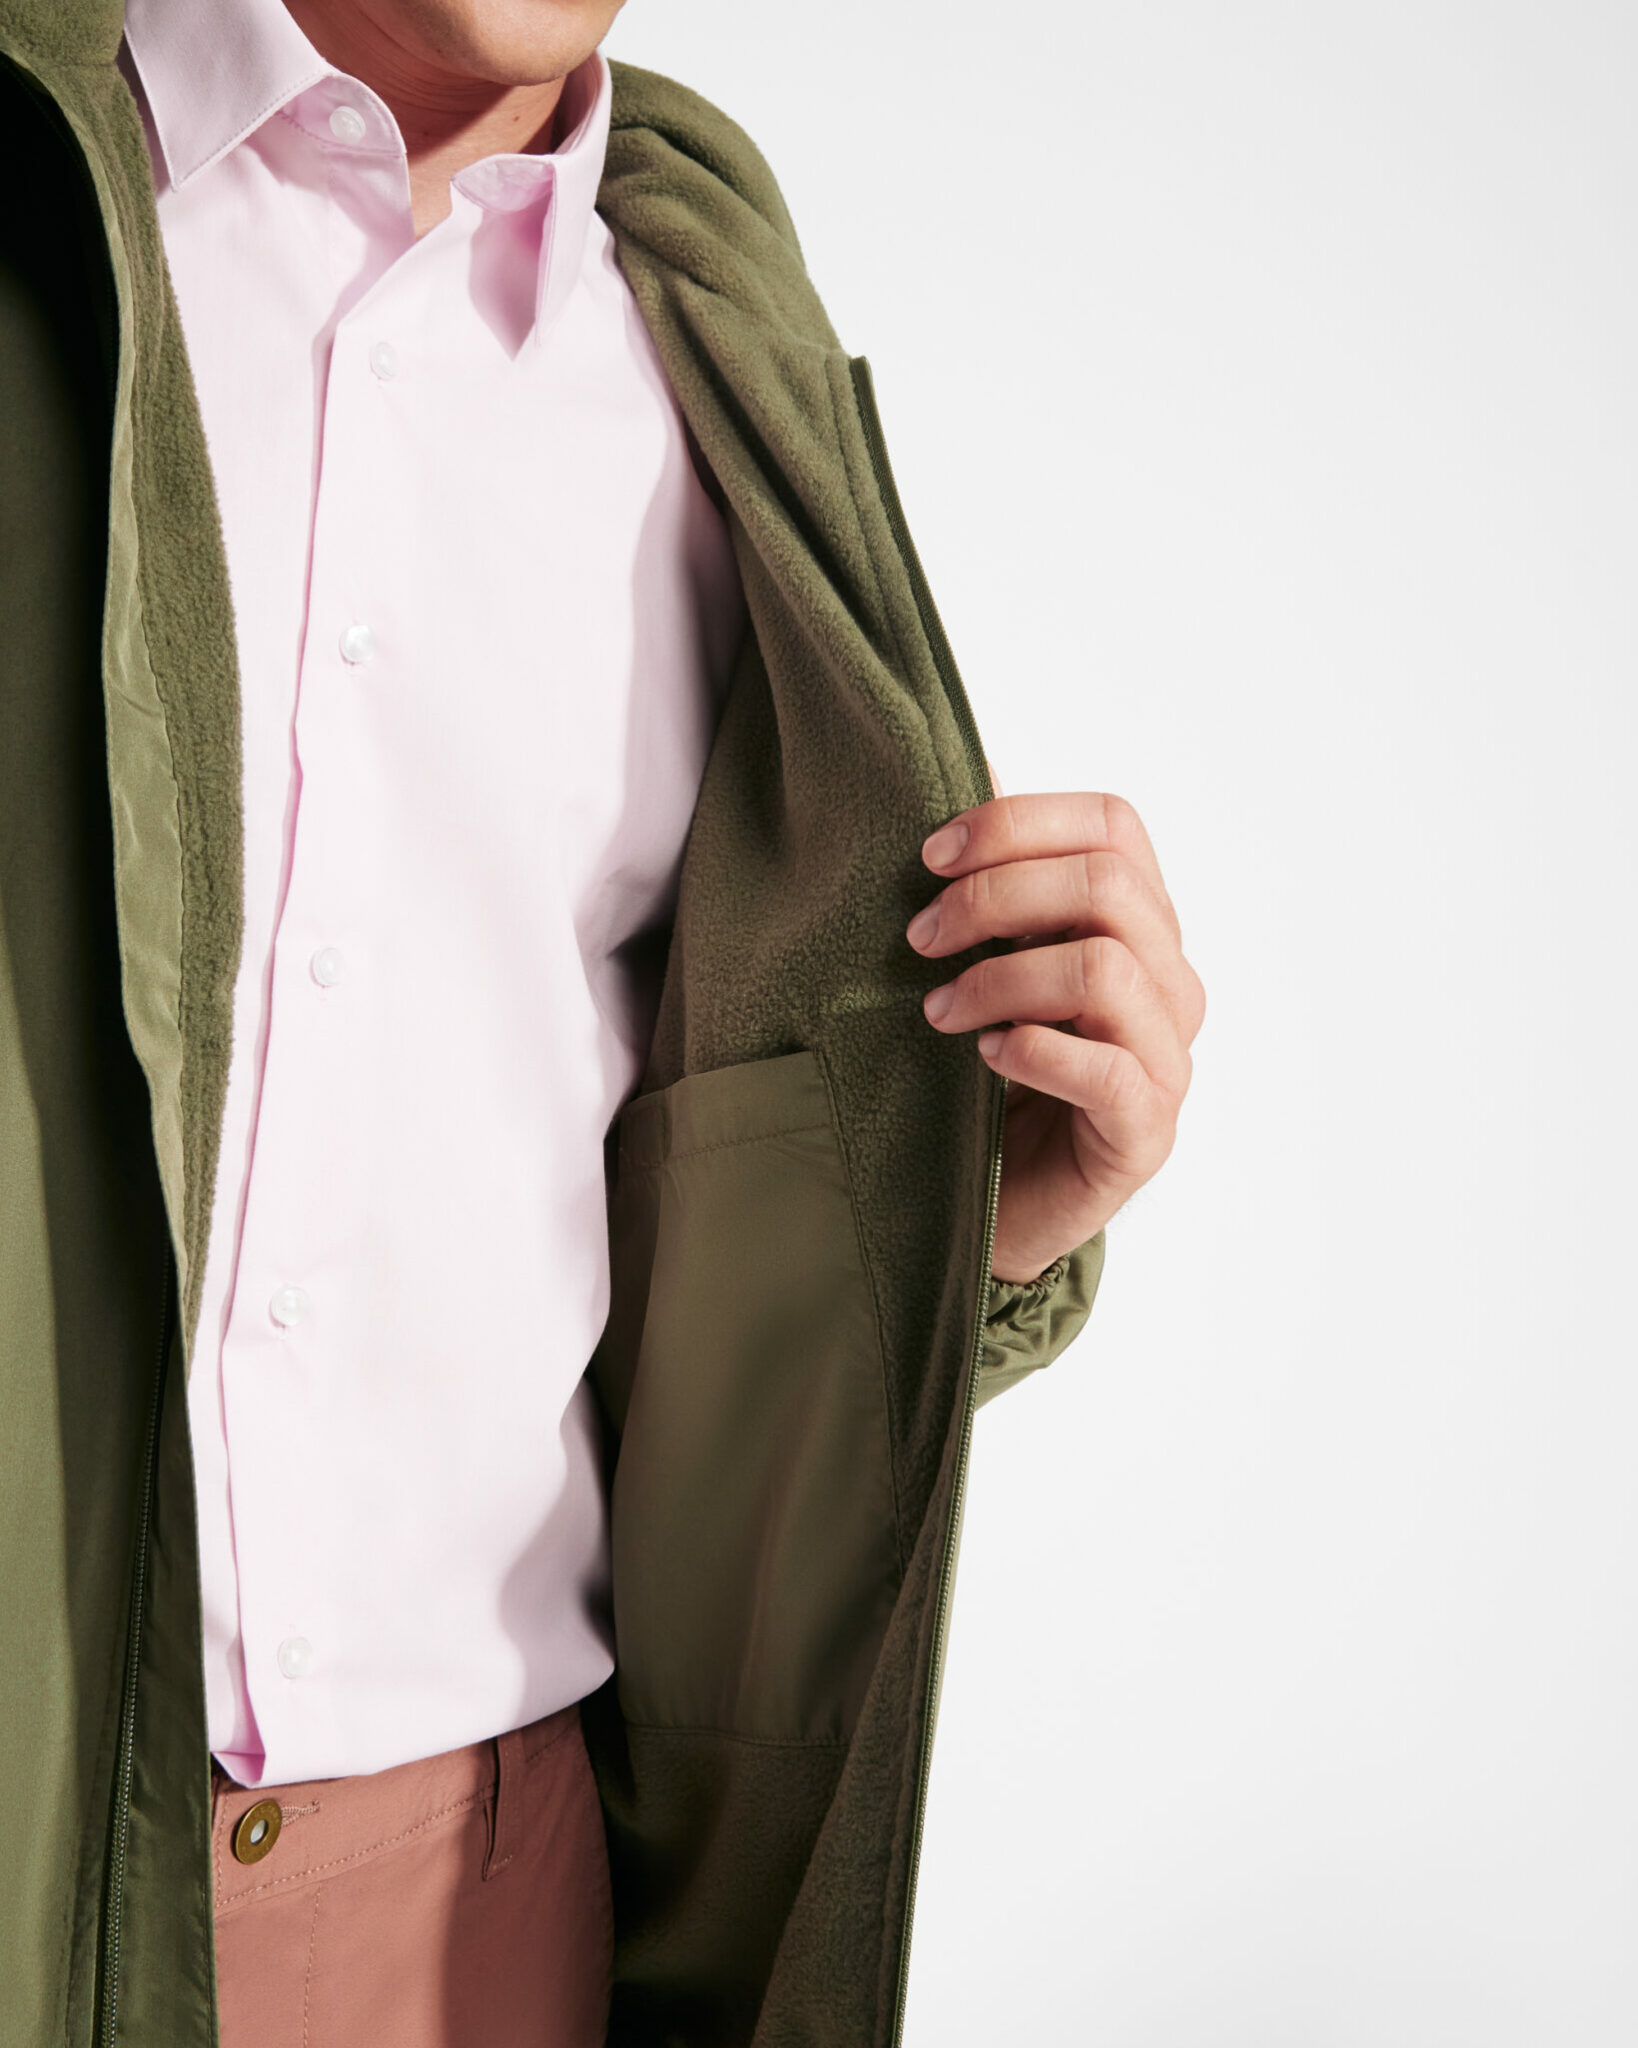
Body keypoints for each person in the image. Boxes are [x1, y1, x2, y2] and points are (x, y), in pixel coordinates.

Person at [0, 0, 1205, 2039]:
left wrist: (932, 1219)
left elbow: (631, 1202)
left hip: (479, 1907)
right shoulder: (42, 176)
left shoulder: (710, 332)